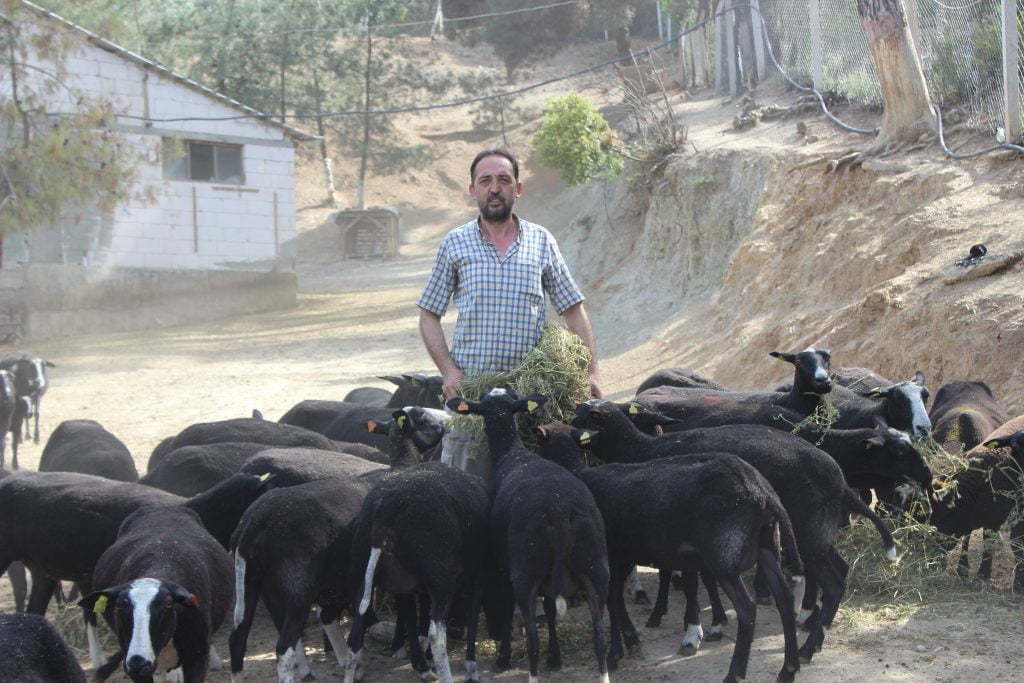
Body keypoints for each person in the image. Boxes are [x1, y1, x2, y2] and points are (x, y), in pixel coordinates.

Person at [417, 147, 602, 404]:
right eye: (485, 181)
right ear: (472, 190)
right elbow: (429, 314)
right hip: (471, 393)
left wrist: (591, 373)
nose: (495, 188)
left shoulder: (541, 240)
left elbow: (573, 310)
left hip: (531, 395)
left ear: (518, 189)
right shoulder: (455, 242)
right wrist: (449, 372)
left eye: (504, 180)